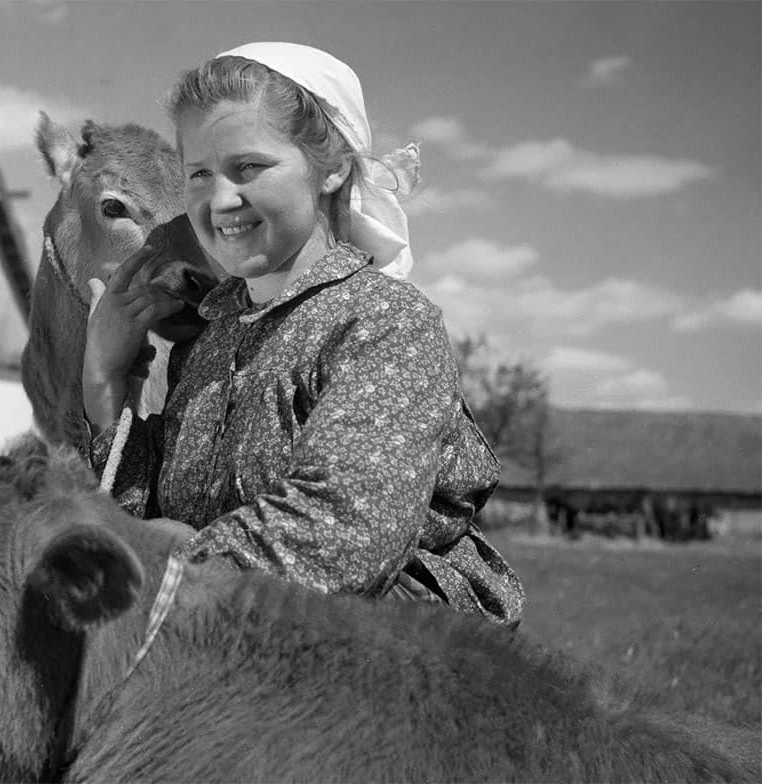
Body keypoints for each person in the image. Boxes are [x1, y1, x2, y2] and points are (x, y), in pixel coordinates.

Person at [81, 42, 524, 626]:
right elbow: (137, 517)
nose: (219, 200)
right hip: (218, 641)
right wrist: (104, 373)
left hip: (382, 667)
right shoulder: (211, 343)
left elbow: (343, 534)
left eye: (248, 168)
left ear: (333, 168)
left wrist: (166, 563)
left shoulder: (384, 325)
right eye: (199, 174)